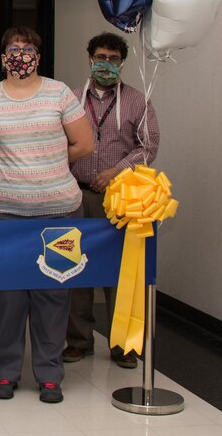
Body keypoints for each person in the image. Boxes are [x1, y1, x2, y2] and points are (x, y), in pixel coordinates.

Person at [0, 26, 94, 405]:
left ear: (38, 54)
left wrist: (47, 160)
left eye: (28, 48)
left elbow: (84, 143)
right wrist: (9, 160)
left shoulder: (60, 93)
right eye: (13, 48)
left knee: (53, 293)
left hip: (59, 213)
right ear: (3, 56)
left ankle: (49, 374)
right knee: (6, 296)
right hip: (1, 214)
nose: (20, 54)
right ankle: (5, 371)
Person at [64, 33, 159, 369]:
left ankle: (123, 345)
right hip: (76, 196)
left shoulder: (138, 102)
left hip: (120, 200)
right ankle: (78, 341)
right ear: (89, 59)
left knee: (121, 273)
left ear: (122, 63)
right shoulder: (70, 100)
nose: (106, 64)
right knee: (74, 267)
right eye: (101, 57)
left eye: (114, 59)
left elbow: (148, 147)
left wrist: (114, 172)